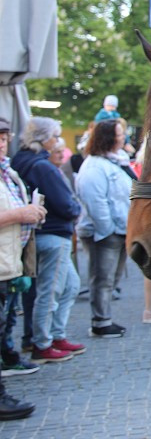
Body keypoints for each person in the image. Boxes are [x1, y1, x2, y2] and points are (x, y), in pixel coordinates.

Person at [9, 118, 84, 363]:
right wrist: (74, 210)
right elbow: (65, 204)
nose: (56, 142)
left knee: (67, 286)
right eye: (54, 137)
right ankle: (43, 342)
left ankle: (53, 335)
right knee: (50, 291)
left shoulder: (21, 162)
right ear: (43, 140)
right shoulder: (41, 166)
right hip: (52, 233)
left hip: (42, 233)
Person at [0, 118, 45, 421]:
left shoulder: (7, 171)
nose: (2, 143)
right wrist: (21, 213)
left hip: (8, 263)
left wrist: (31, 212)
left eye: (4, 138)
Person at [76, 120, 132, 338]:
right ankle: (100, 321)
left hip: (119, 230)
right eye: (119, 134)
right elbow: (95, 201)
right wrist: (108, 229)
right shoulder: (94, 166)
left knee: (111, 279)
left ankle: (104, 317)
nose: (123, 137)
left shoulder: (116, 161)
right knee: (102, 278)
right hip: (105, 233)